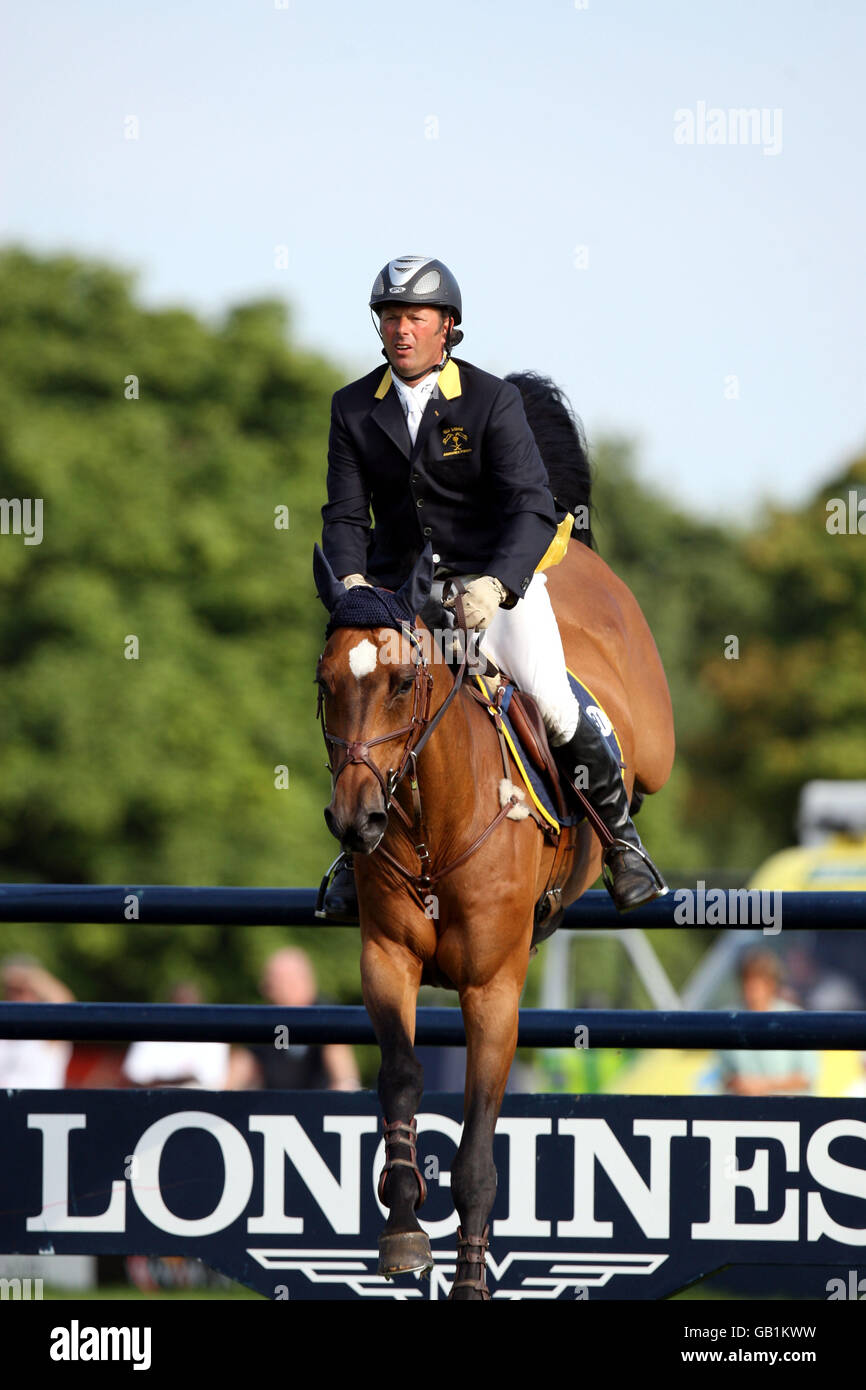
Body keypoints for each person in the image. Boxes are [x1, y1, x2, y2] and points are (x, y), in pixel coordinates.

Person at [318, 253, 665, 919]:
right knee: (357, 697)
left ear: (446, 326)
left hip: (493, 588)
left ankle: (623, 844)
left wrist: (500, 585)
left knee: (552, 700)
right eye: (390, 317)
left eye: (414, 317)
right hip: (400, 599)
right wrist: (356, 583)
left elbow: (534, 506)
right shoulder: (354, 407)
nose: (400, 329)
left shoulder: (489, 400)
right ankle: (350, 852)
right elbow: (342, 515)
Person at [227, 948, 360, 1091]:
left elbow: (343, 1073)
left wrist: (344, 1093)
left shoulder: (324, 1014)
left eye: (273, 982)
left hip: (318, 1105)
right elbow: (243, 1064)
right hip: (275, 1107)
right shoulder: (267, 1019)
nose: (264, 989)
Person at [717, 948, 818, 1096]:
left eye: (756, 984)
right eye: (746, 982)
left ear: (771, 984)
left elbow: (806, 1077)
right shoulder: (729, 1018)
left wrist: (763, 1086)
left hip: (790, 1110)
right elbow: (725, 1077)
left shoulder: (796, 1018)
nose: (749, 990)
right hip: (746, 1111)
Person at [122, 981, 230, 1089]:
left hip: (197, 1103)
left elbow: (212, 1081)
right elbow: (134, 1075)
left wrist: (162, 1080)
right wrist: (183, 1078)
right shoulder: (149, 1035)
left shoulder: (214, 1039)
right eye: (179, 1003)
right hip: (153, 1101)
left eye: (188, 1004)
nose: (184, 1012)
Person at [0, 955, 73, 1088]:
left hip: (40, 1107)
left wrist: (30, 974)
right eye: (9, 989)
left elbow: (65, 1005)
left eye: (21, 990)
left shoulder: (47, 1028)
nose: (14, 996)